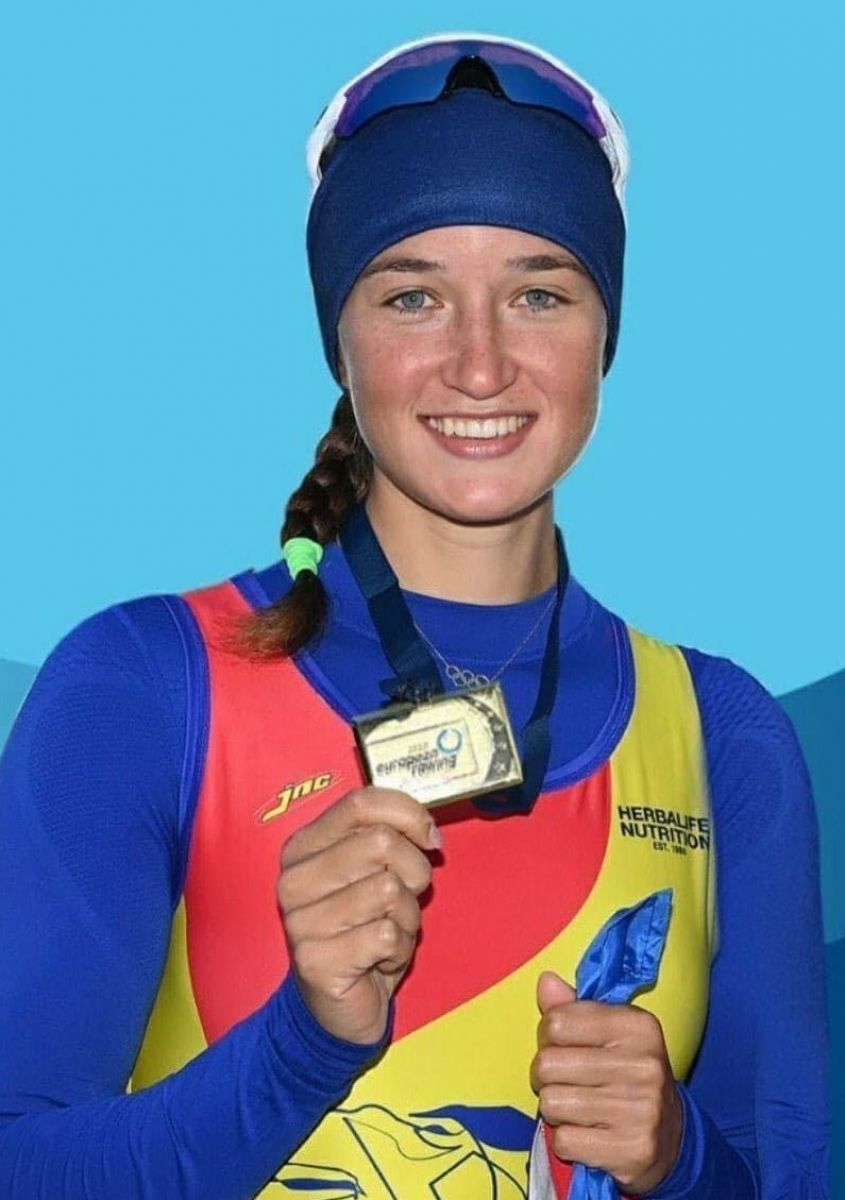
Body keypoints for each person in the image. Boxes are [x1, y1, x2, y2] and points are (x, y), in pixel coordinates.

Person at [0, 31, 831, 1200]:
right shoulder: (142, 684)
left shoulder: (721, 734)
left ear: (605, 332)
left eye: (538, 293)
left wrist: (678, 1158)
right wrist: (302, 1045)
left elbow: (789, 1176)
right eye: (412, 296)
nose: (479, 367)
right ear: (338, 337)